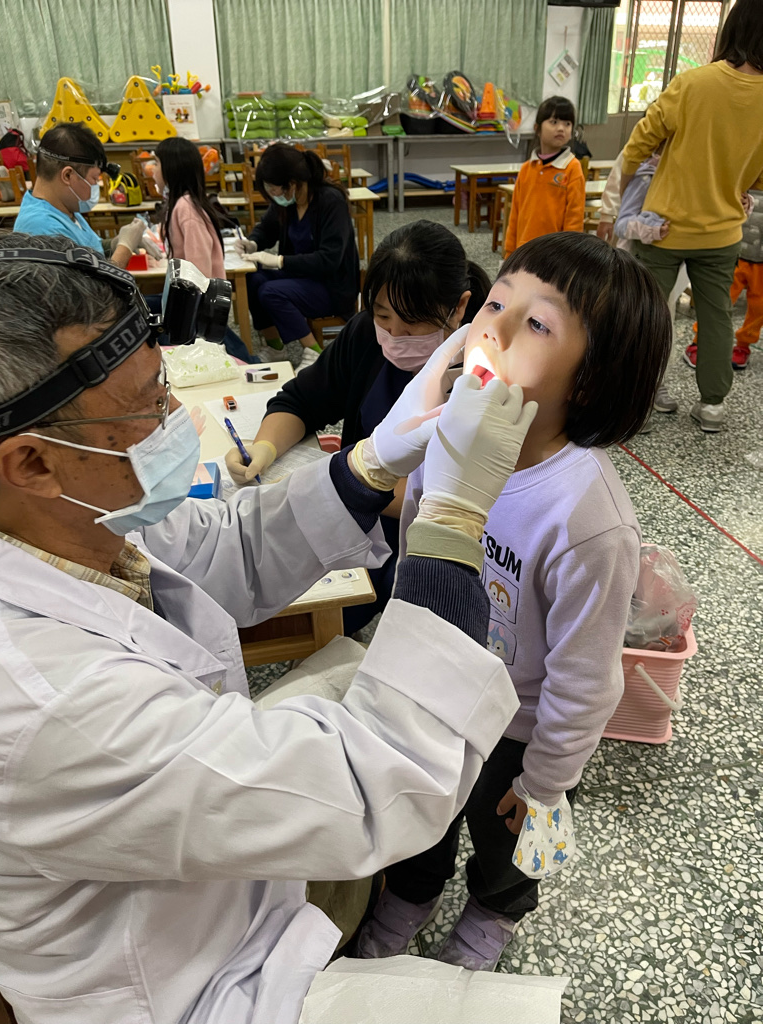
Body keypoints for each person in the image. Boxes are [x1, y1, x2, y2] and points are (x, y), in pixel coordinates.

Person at [0, 232, 537, 1024]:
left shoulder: (72, 519)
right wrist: (451, 521)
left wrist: (369, 466)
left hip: (215, 884)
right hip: (189, 987)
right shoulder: (43, 701)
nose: (173, 416)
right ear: (32, 464)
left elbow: (222, 548)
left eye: (164, 384)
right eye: (146, 406)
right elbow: (376, 785)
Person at [356, 232, 672, 971]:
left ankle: (494, 913)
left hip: (522, 729)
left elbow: (587, 677)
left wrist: (547, 782)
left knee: (515, 842)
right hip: (438, 691)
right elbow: (416, 557)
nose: (493, 327)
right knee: (420, 815)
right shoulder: (449, 434)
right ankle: (411, 892)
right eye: (496, 302)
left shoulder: (587, 519)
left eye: (536, 323)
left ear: (588, 382)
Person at [226, 220, 490, 632]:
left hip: (428, 543)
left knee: (347, 610)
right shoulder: (367, 336)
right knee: (266, 571)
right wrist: (264, 448)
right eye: (383, 316)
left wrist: (345, 482)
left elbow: (444, 499)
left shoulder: (483, 376)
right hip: (354, 507)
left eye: (413, 324)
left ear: (459, 308)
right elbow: (302, 400)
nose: (395, 336)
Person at [620, 0, 763, 432]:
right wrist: (738, 188)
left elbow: (639, 143)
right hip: (723, 233)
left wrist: (625, 194)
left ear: (732, 29)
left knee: (648, 314)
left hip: (664, 228)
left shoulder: (693, 82)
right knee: (717, 315)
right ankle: (713, 405)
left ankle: (638, 402)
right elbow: (756, 175)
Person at [234, 142, 360, 371]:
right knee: (252, 278)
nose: (272, 194)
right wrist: (252, 243)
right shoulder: (287, 202)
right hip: (301, 276)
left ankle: (314, 352)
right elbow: (267, 228)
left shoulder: (330, 201)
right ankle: (275, 347)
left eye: (273, 188)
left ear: (292, 183)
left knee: (270, 292)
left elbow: (329, 259)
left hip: (331, 286)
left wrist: (279, 261)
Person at [151, 136, 254, 361]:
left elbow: (199, 271)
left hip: (198, 304)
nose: (152, 171)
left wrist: (187, 315)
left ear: (172, 168)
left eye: (156, 163)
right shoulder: (181, 204)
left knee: (224, 354)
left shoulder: (186, 208)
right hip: (194, 302)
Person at [13, 121, 146, 269]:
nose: (95, 185)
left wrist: (115, 243)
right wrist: (124, 248)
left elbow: (91, 249)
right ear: (68, 175)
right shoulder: (41, 228)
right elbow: (94, 284)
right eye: (94, 179)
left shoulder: (64, 209)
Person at [503, 96, 585, 257]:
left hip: (554, 254)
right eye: (554, 122)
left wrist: (569, 256)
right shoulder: (527, 168)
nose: (561, 128)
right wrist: (509, 252)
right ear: (537, 128)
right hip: (524, 249)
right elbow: (515, 215)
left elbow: (574, 219)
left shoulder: (572, 168)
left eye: (567, 124)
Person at [688, 190, 761, 370]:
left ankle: (744, 344)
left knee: (759, 307)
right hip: (734, 254)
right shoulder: (746, 179)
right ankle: (699, 341)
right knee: (718, 301)